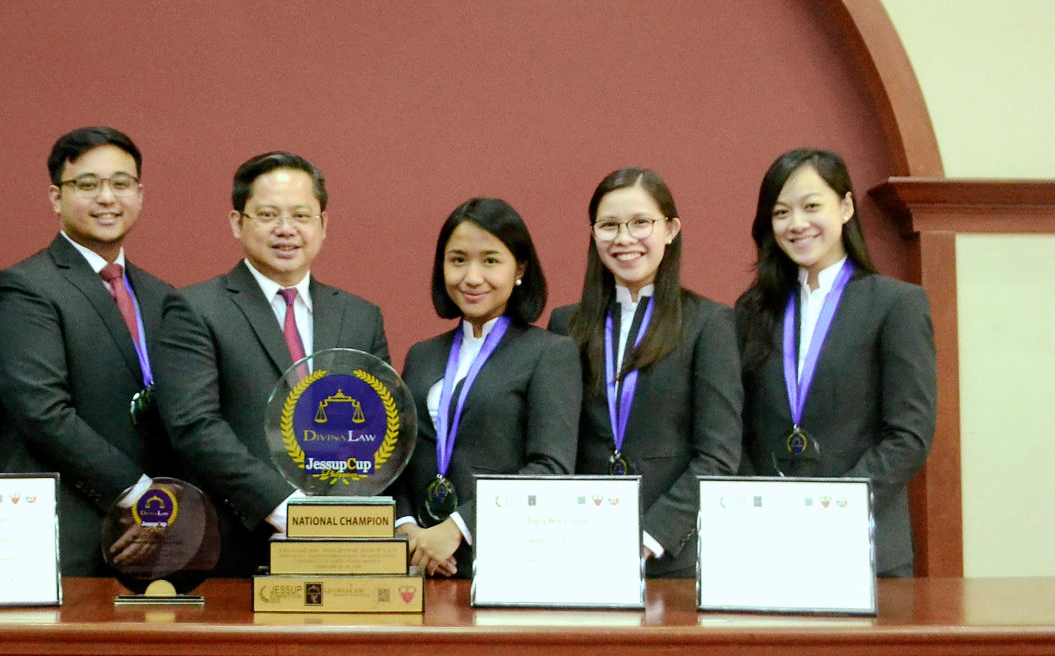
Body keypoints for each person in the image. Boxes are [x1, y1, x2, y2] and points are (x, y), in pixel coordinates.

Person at [155, 151, 390, 577]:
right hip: (234, 547)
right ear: (236, 222)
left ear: (323, 224)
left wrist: (337, 517)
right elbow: (194, 426)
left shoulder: (360, 316)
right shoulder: (194, 309)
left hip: (342, 546)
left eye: (301, 214)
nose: (286, 230)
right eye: (267, 214)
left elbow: (376, 428)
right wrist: (287, 510)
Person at [736, 148, 937, 577]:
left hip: (863, 543)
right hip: (767, 544)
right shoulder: (752, 311)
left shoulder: (896, 304)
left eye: (812, 206)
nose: (797, 224)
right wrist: (761, 505)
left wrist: (832, 508)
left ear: (845, 208)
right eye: (781, 212)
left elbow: (909, 434)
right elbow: (735, 427)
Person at [0, 126, 175, 577]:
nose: (106, 198)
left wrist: (165, 505)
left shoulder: (161, 296)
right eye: (87, 185)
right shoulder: (25, 287)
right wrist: (138, 496)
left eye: (121, 184)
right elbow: (42, 413)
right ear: (56, 197)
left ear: (140, 193)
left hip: (155, 539)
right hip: (65, 535)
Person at [548, 168, 742, 578]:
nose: (624, 238)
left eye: (640, 223)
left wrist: (651, 535)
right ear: (593, 234)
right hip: (579, 547)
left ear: (670, 230)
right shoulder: (566, 324)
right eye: (609, 225)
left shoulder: (710, 323)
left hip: (673, 557)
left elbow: (718, 455)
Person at [392, 197, 579, 578]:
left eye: (490, 260)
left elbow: (550, 468)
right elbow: (396, 459)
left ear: (519, 269)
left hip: (504, 565)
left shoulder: (550, 353)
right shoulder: (421, 355)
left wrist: (460, 527)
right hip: (415, 564)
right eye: (458, 260)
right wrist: (405, 527)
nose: (472, 277)